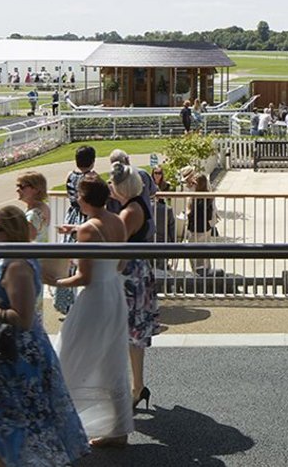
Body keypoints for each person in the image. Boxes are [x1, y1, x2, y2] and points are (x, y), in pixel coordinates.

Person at [0, 205, 89, 465]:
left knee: (13, 429)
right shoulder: (9, 258)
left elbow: (23, 318)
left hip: (14, 359)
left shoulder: (17, 266)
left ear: (12, 232)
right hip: (0, 358)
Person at [53, 176, 133, 448]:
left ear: (85, 199)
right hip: (114, 292)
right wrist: (75, 229)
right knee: (113, 361)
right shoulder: (117, 221)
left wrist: (53, 281)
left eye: (78, 195)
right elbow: (120, 263)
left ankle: (66, 425)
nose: (76, 198)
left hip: (95, 298)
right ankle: (118, 429)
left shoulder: (87, 230)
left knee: (69, 354)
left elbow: (83, 277)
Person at [109, 163, 160, 413]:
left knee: (126, 334)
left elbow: (118, 248)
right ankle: (137, 387)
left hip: (129, 275)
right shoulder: (136, 205)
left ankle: (133, 388)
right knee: (134, 336)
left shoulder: (130, 211)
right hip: (137, 272)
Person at [54, 145, 96, 315]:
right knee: (86, 261)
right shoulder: (91, 178)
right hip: (85, 217)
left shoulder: (70, 175)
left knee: (69, 262)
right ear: (92, 161)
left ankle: (66, 303)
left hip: (71, 216)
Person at [183, 172, 216, 273]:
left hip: (197, 228)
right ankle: (206, 271)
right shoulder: (207, 196)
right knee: (205, 252)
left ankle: (199, 273)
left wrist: (188, 212)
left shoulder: (198, 198)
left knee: (194, 252)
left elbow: (193, 213)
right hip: (205, 227)